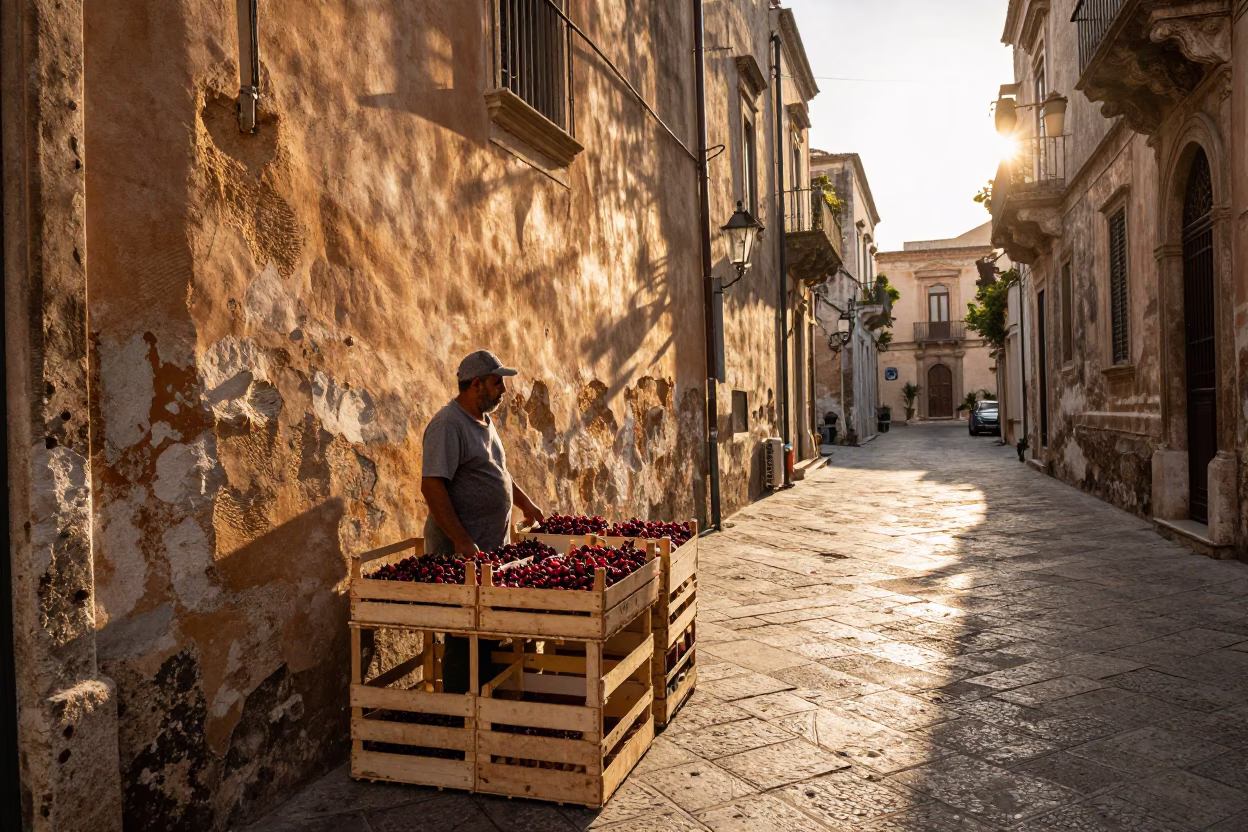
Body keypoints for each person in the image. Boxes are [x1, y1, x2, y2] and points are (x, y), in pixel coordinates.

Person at [421, 350, 545, 692]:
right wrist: (461, 540)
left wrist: (526, 504)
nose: (503, 389)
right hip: (461, 557)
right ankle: (461, 719)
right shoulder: (448, 425)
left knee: (486, 635)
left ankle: (485, 710)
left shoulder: (485, 422)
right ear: (476, 385)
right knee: (463, 636)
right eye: (496, 382)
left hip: (489, 553)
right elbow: (432, 485)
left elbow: (499, 473)